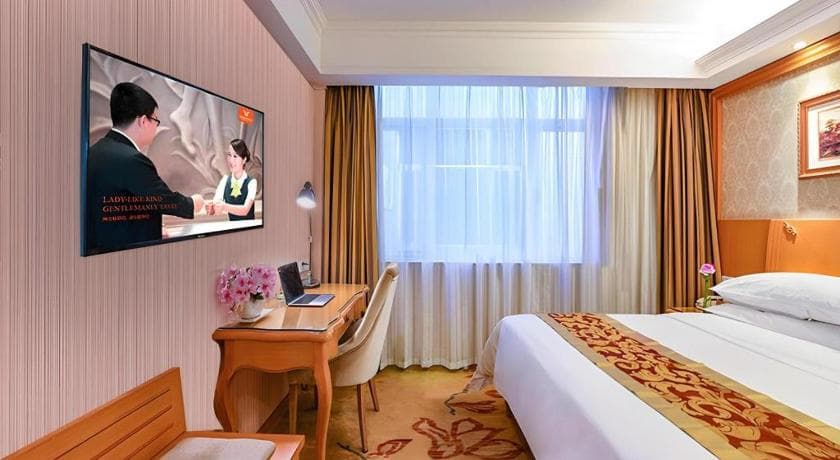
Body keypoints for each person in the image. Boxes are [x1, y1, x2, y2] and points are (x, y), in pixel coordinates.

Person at [86, 82, 204, 253]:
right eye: (156, 120)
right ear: (142, 121)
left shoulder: (94, 152)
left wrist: (150, 226)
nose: (156, 127)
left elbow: (127, 204)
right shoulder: (131, 160)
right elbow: (162, 199)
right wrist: (193, 203)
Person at [206, 139, 257, 220]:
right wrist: (212, 209)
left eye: (235, 156)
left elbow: (245, 210)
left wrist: (224, 206)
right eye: (229, 155)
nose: (231, 160)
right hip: (232, 227)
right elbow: (217, 205)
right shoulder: (225, 180)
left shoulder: (252, 183)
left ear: (244, 159)